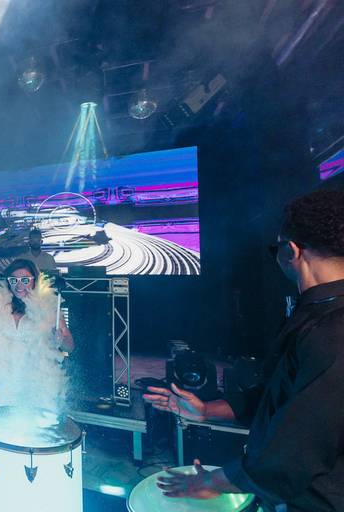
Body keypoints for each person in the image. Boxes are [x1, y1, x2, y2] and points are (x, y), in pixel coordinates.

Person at [142, 188, 344, 511]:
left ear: (291, 251)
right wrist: (207, 410)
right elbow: (278, 396)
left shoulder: (332, 330)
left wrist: (211, 482)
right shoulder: (318, 313)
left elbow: (293, 452)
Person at [0, 259, 74, 411]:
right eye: (14, 280)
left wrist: (60, 339)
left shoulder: (49, 308)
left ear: (34, 280)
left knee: (37, 422)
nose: (19, 286)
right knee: (7, 421)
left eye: (25, 280)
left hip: (38, 381)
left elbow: (70, 347)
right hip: (7, 381)